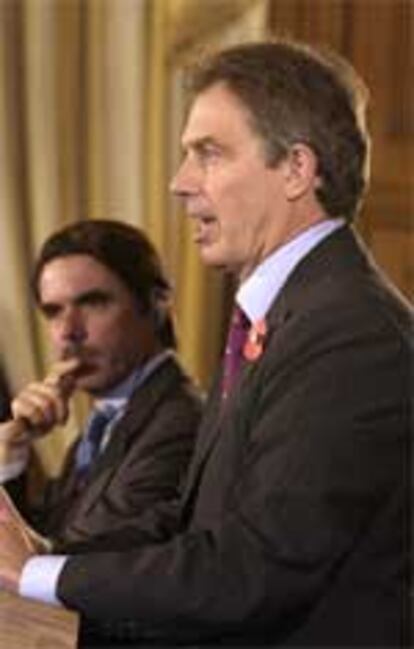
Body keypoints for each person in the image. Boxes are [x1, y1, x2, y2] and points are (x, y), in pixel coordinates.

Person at [0, 40, 412, 647]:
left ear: (297, 169)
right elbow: (195, 519)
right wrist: (48, 556)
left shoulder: (351, 333)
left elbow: (251, 570)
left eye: (209, 155)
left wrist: (36, 572)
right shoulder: (288, 313)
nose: (179, 183)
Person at [0, 219, 201, 547]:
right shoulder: (102, 424)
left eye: (93, 303)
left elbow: (80, 562)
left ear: (155, 307)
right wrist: (9, 456)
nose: (68, 331)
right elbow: (45, 536)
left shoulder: (181, 423)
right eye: (53, 311)